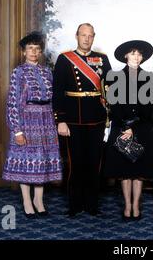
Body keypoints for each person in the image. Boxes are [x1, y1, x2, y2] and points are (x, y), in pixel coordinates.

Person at [52, 23, 112, 217]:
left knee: (95, 163)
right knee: (75, 163)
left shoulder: (102, 59)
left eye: (90, 35)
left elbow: (110, 88)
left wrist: (109, 117)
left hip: (96, 118)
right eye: (83, 35)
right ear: (77, 36)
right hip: (72, 119)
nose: (86, 39)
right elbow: (58, 91)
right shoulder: (64, 59)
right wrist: (60, 120)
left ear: (94, 37)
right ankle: (75, 204)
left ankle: (92, 204)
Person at [2, 32, 62, 218]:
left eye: (37, 48)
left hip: (46, 121)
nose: (34, 52)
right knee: (28, 162)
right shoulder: (18, 72)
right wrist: (17, 130)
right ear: (23, 51)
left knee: (42, 161)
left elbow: (54, 99)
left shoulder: (47, 72)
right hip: (26, 120)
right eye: (30, 48)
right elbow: (13, 102)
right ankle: (27, 201)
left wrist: (56, 122)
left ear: (41, 51)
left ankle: (39, 200)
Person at [103, 40, 153, 221]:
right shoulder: (113, 76)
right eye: (133, 53)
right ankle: (127, 205)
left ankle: (136, 205)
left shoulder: (150, 77)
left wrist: (133, 127)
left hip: (142, 128)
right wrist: (126, 126)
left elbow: (150, 106)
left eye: (139, 54)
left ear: (142, 57)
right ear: (126, 56)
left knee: (139, 170)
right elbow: (113, 105)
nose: (136, 56)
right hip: (121, 127)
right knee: (125, 170)